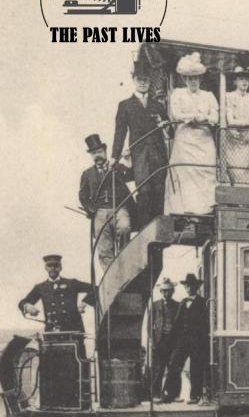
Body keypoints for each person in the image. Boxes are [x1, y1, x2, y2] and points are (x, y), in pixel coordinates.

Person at [112, 60, 169, 228]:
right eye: (139, 79)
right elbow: (120, 132)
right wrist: (114, 156)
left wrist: (164, 124)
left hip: (158, 155)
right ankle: (145, 231)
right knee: (144, 191)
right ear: (133, 80)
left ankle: (157, 233)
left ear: (150, 82)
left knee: (159, 192)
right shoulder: (125, 106)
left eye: (146, 79)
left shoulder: (158, 106)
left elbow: (170, 131)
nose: (143, 83)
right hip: (140, 155)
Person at [164, 52, 219, 215]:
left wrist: (203, 118)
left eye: (196, 78)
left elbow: (215, 117)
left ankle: (205, 209)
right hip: (185, 138)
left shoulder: (208, 96)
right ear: (185, 79)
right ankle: (186, 209)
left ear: (200, 79)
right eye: (190, 78)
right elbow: (176, 114)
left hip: (204, 138)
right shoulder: (178, 94)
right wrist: (191, 117)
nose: (193, 81)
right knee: (186, 172)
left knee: (206, 171)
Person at [78, 134, 134, 271]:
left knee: (125, 227)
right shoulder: (87, 174)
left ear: (105, 151)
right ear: (91, 155)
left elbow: (131, 175)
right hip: (100, 213)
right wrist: (89, 208)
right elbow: (82, 195)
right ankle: (111, 275)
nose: (97, 155)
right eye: (93, 153)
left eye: (99, 152)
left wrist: (127, 159)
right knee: (104, 246)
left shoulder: (116, 167)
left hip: (119, 208)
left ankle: (124, 262)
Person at [161, 273, 209, 404]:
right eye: (187, 286)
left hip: (197, 341)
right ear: (185, 287)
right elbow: (177, 324)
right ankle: (169, 394)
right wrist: (170, 342)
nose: (189, 288)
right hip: (182, 341)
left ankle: (195, 396)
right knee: (174, 365)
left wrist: (203, 340)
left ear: (196, 287)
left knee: (196, 368)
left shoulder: (203, 302)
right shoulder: (183, 302)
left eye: (192, 286)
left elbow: (205, 323)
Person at [18, 254, 95, 333]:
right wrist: (27, 306)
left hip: (74, 330)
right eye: (50, 265)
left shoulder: (71, 283)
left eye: (56, 265)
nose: (53, 268)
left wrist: (84, 303)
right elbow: (22, 303)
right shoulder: (41, 287)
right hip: (52, 331)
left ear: (60, 267)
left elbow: (95, 289)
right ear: (46, 268)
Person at [222, 64, 249, 186]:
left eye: (246, 79)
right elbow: (231, 120)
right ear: (235, 81)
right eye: (241, 79)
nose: (244, 82)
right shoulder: (229, 96)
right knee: (236, 170)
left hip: (247, 140)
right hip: (234, 139)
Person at [150, 277, 179, 400]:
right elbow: (149, 325)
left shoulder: (177, 305)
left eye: (169, 291)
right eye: (164, 291)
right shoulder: (155, 305)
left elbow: (180, 324)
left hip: (173, 341)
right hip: (159, 341)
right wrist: (152, 340)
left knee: (173, 368)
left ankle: (172, 394)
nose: (166, 293)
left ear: (173, 292)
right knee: (158, 368)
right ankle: (156, 394)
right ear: (161, 292)